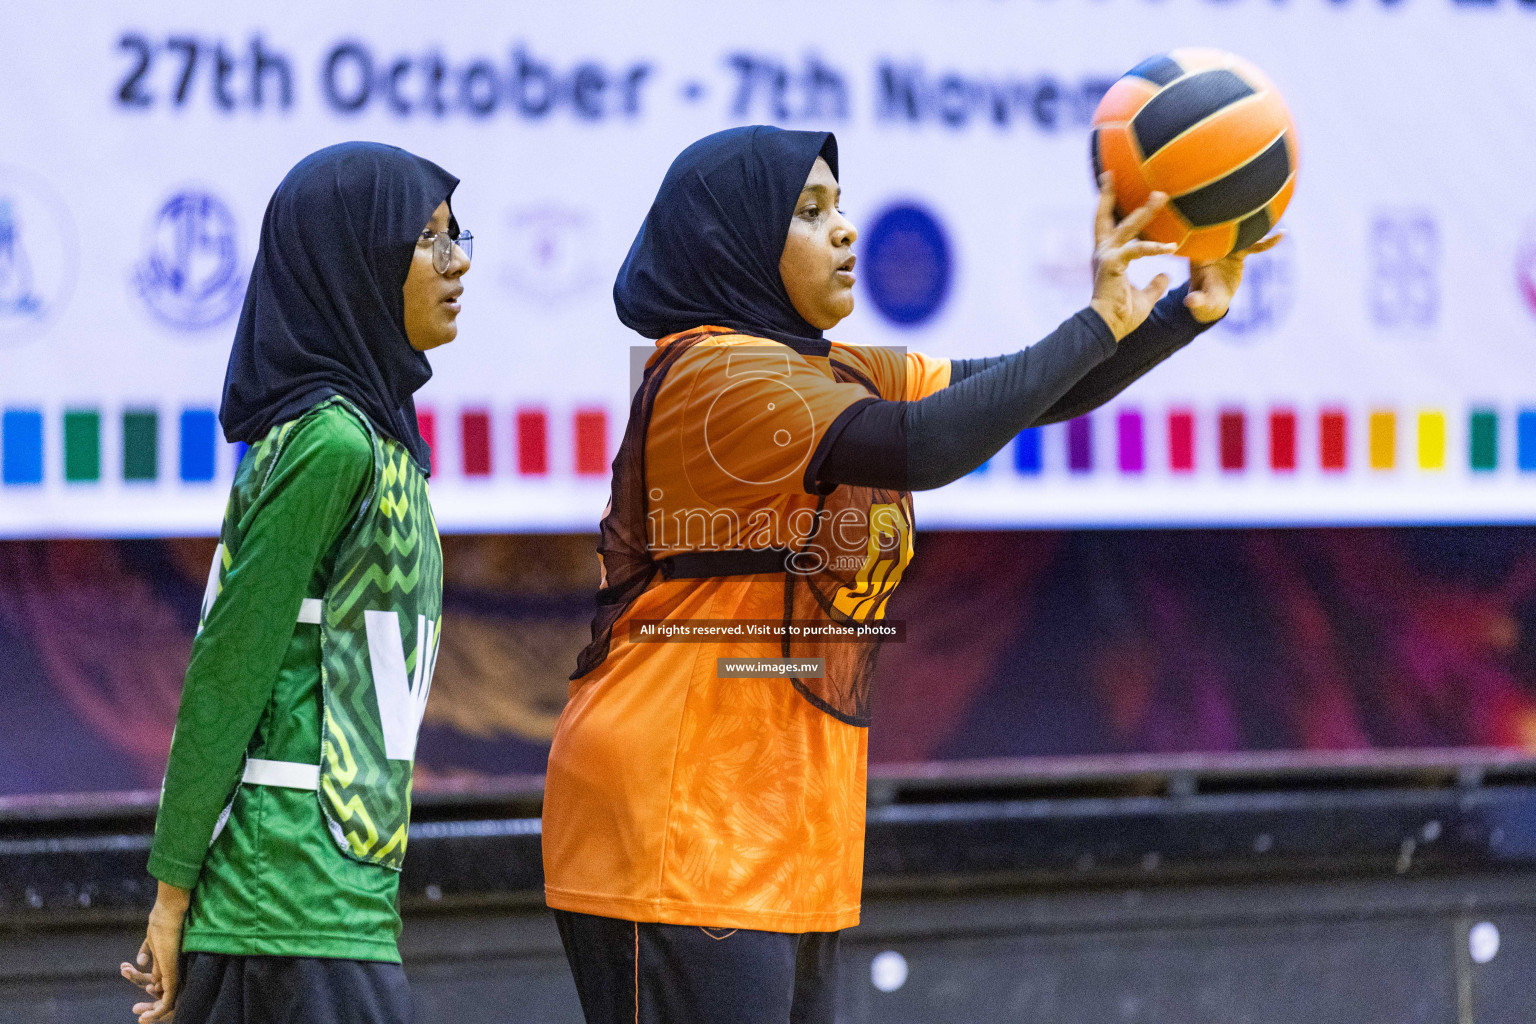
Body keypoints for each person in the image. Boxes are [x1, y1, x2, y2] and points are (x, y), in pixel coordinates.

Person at [542, 124, 1278, 1024]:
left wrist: (1176, 316)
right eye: (810, 213)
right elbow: (926, 445)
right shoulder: (717, 376)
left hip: (771, 822)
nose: (846, 229)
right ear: (729, 241)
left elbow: (1028, 388)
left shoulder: (837, 369)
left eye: (840, 206)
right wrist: (1094, 322)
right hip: (673, 820)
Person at [117, 141, 471, 1024]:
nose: (457, 259)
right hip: (284, 899)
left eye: (458, 235)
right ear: (354, 260)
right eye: (427, 239)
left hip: (335, 897)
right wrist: (171, 895)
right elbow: (229, 667)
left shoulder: (381, 442)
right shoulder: (329, 442)